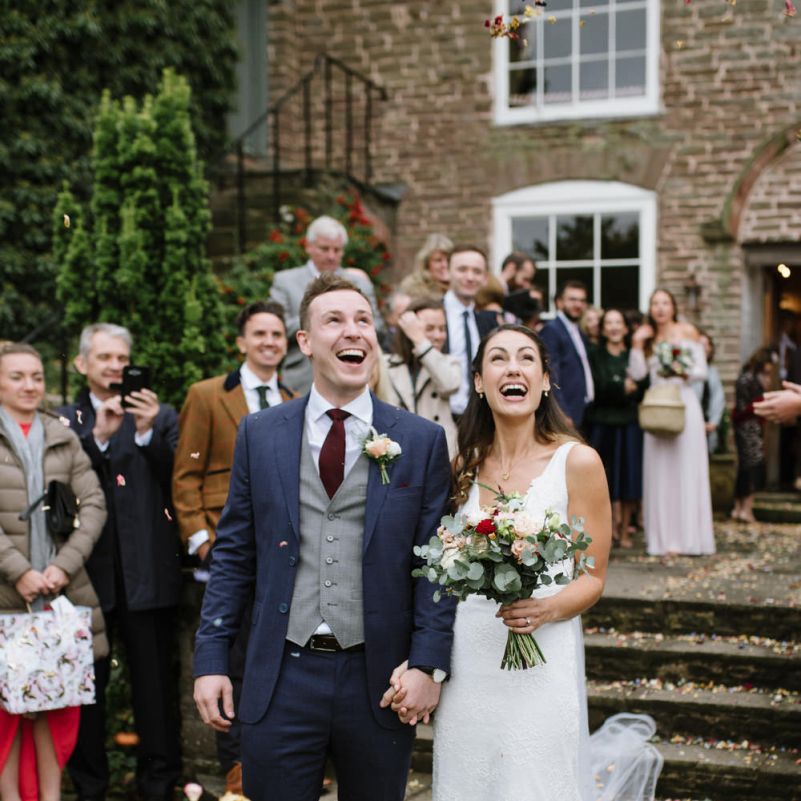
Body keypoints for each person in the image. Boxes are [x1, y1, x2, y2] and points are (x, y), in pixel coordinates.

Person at [193, 273, 456, 801]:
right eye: (334, 320)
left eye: (363, 321)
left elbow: (436, 564)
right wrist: (212, 659)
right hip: (281, 674)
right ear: (306, 343)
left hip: (380, 678)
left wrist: (428, 663)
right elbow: (235, 556)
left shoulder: (421, 440)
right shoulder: (261, 433)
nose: (353, 332)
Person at [384, 325, 658, 800]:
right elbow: (439, 571)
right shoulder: (462, 465)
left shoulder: (578, 462)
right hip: (469, 660)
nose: (513, 368)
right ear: (477, 381)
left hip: (542, 661)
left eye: (526, 358)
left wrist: (548, 608)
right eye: (499, 359)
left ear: (545, 379)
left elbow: (592, 577)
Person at [172, 301, 295, 795]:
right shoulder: (206, 396)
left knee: (281, 659)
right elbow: (186, 475)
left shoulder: (294, 398)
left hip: (282, 556)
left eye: (277, 334)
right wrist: (204, 545)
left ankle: (279, 757)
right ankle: (237, 768)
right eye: (259, 333)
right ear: (241, 341)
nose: (269, 342)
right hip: (228, 551)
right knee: (232, 660)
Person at [58, 323, 182, 801]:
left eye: (121, 359)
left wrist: (147, 432)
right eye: (104, 358)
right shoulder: (65, 421)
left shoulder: (161, 416)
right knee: (87, 695)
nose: (114, 366)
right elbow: (63, 486)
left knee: (154, 692)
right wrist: (99, 439)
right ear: (83, 363)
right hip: (87, 579)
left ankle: (159, 786)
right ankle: (90, 787)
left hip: (147, 574)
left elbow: (178, 480)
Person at [0, 343, 107, 801]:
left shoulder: (62, 437)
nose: (30, 385)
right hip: (6, 598)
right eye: (18, 376)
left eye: (37, 377)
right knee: (6, 719)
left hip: (57, 598)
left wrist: (62, 567)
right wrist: (18, 570)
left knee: (54, 709)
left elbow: (95, 503)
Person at [628, 289, 715, 556]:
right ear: (650, 309)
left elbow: (702, 371)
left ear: (673, 307)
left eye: (665, 303)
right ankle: (662, 541)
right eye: (655, 303)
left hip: (684, 403)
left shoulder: (688, 332)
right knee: (660, 472)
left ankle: (690, 539)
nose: (660, 308)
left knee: (686, 469)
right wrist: (636, 346)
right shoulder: (648, 336)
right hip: (657, 405)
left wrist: (678, 369)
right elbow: (639, 374)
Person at [270, 215, 385, 394]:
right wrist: (317, 321)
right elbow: (276, 326)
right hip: (300, 379)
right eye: (325, 249)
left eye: (337, 250)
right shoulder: (285, 281)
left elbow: (378, 326)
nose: (331, 256)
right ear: (309, 247)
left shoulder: (360, 283)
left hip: (352, 376)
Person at [587, 309, 647, 549]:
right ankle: (607, 530)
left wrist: (628, 388)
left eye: (618, 322)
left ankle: (625, 532)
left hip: (629, 424)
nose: (613, 327)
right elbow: (599, 388)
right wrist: (623, 387)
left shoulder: (632, 355)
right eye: (609, 323)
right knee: (605, 480)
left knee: (629, 479)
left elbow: (643, 386)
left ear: (625, 328)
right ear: (602, 329)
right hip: (602, 424)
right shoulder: (595, 355)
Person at [377, 297, 461, 458]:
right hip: (398, 453)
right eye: (429, 328)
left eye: (442, 329)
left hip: (442, 453)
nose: (438, 335)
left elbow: (449, 384)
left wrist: (421, 341)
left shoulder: (450, 363)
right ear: (409, 329)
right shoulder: (386, 364)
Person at [442, 246, 498, 419]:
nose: (470, 277)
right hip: (440, 415)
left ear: (485, 277)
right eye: (462, 269)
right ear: (447, 272)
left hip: (479, 417)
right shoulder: (432, 314)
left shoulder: (488, 322)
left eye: (477, 271)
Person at [539, 281, 595, 429]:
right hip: (565, 414)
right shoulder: (552, 330)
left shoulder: (579, 332)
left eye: (582, 300)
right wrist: (562, 412)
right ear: (559, 302)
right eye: (572, 299)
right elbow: (550, 375)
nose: (578, 304)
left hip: (582, 410)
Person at [731, 348, 774, 523]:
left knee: (746, 466)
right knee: (752, 466)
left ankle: (739, 508)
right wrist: (765, 396)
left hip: (748, 427)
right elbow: (745, 407)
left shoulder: (747, 377)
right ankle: (744, 509)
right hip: (748, 427)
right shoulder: (749, 379)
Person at [696, 331, 726, 454]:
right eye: (699, 345)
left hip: (706, 424)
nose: (703, 349)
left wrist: (713, 422)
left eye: (706, 345)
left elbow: (718, 398)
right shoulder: (688, 374)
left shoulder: (712, 372)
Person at [398, 233, 453, 299]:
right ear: (426, 264)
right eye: (438, 260)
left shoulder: (461, 286)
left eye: (448, 259)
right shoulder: (414, 288)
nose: (445, 265)